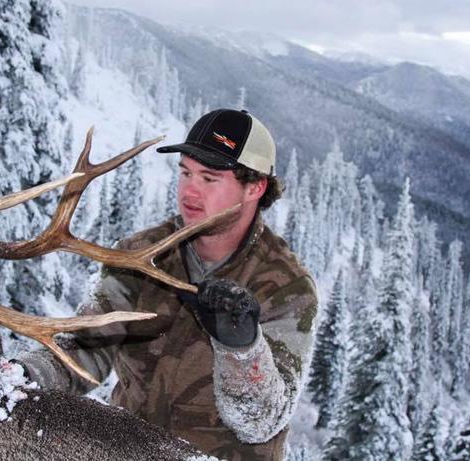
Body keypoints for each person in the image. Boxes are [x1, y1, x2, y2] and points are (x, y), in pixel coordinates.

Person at [20, 109, 318, 460]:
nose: (190, 191)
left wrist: (241, 348)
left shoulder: (287, 287)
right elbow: (87, 346)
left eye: (209, 179)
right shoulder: (139, 255)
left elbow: (260, 422)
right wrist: (23, 377)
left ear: (255, 186)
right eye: (185, 172)